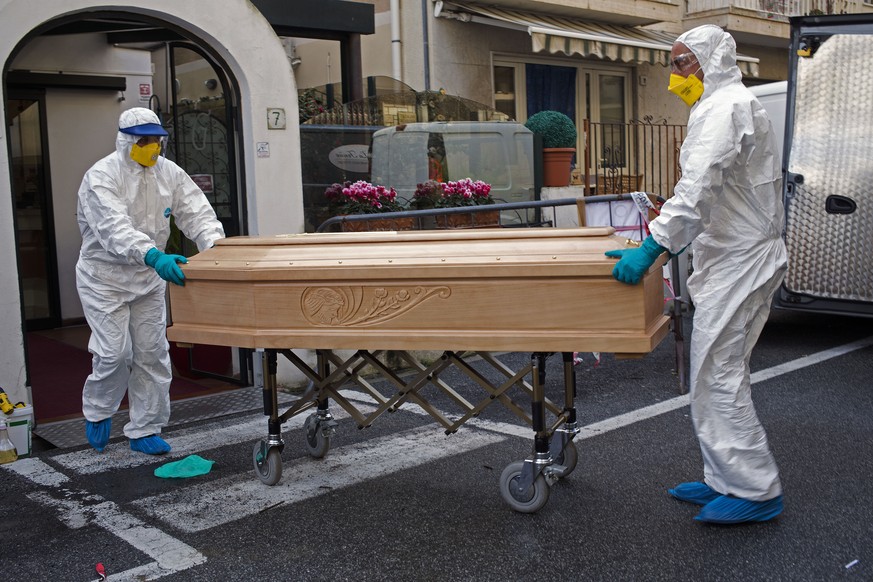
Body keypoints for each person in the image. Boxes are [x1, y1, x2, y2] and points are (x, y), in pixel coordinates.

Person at [604, 25, 787, 524]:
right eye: (674, 66)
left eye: (683, 64)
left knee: (717, 373)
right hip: (734, 257)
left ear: (712, 61)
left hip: (741, 262)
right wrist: (667, 230)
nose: (675, 78)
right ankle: (725, 478)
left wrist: (653, 246)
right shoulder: (724, 106)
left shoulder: (725, 108)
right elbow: (715, 194)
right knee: (717, 373)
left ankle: (755, 490)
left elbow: (700, 187)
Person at [76, 107, 225, 455]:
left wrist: (216, 250)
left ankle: (145, 428)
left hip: (147, 279)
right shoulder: (101, 177)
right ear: (126, 141)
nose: (152, 147)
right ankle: (99, 410)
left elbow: (196, 212)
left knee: (152, 354)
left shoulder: (168, 173)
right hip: (105, 280)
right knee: (114, 353)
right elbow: (114, 229)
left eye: (157, 140)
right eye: (144, 141)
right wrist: (153, 255)